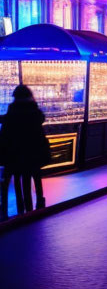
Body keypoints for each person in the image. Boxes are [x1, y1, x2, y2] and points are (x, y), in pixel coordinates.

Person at [0, 85, 51, 217]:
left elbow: (4, 137)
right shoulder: (36, 113)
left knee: (18, 182)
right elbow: (40, 135)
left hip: (15, 155)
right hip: (34, 154)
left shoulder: (11, 114)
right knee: (36, 178)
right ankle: (38, 206)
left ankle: (21, 209)